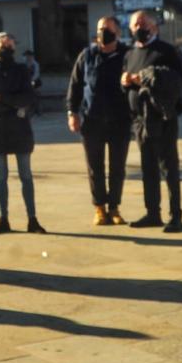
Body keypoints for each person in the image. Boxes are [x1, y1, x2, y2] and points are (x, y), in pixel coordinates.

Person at [121, 8, 182, 232]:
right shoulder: (130, 55)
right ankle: (152, 213)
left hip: (163, 118)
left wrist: (149, 80)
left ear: (154, 27)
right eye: (135, 25)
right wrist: (126, 81)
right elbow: (127, 85)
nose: (139, 28)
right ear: (130, 29)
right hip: (140, 121)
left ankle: (175, 215)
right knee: (148, 168)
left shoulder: (166, 51)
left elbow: (180, 81)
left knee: (169, 167)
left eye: (143, 24)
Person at [67, 15, 132, 225]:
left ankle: (114, 207)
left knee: (117, 167)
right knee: (95, 167)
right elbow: (75, 85)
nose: (103, 32)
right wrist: (72, 112)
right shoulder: (87, 55)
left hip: (119, 120)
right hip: (91, 120)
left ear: (118, 32)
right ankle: (99, 208)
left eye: (108, 29)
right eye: (100, 29)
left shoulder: (127, 55)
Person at [0, 31, 44, 234]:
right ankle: (3, 218)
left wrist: (3, 98)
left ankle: (32, 218)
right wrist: (13, 103)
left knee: (26, 174)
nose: (6, 49)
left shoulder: (21, 70)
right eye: (3, 45)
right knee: (1, 176)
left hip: (20, 129)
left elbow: (28, 98)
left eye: (10, 45)